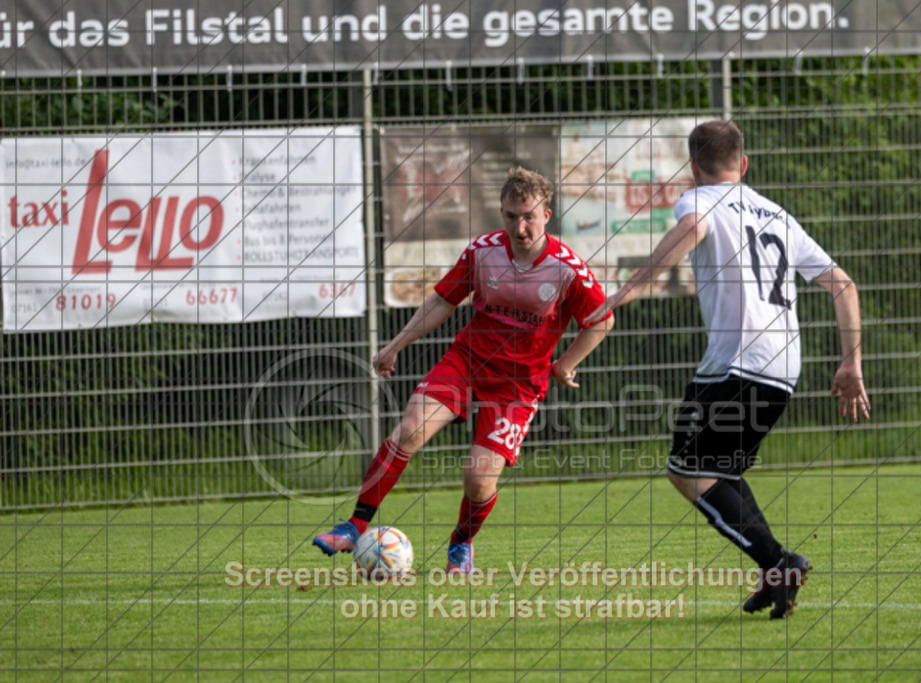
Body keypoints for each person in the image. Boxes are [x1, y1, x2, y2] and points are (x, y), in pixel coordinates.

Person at [584, 120, 870, 619]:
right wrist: (852, 362)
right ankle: (774, 573)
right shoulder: (779, 214)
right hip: (783, 367)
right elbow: (843, 284)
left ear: (693, 168)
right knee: (721, 470)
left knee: (686, 470)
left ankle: (779, 562)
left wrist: (626, 290)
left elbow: (693, 229)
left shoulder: (698, 201)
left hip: (736, 364)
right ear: (744, 163)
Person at [315, 166, 615, 573]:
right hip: (467, 363)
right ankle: (354, 527)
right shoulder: (483, 251)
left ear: (547, 214)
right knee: (410, 429)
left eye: (529, 216)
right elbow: (443, 300)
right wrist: (395, 345)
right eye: (511, 216)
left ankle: (461, 543)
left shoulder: (567, 268)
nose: (520, 227)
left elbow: (601, 320)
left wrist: (565, 364)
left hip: (517, 385)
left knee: (479, 480)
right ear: (501, 212)